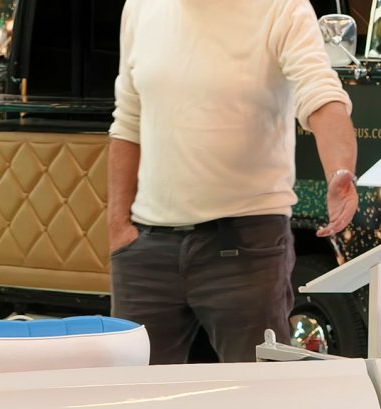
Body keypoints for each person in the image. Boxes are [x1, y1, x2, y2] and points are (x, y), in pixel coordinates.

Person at [108, 0, 359, 364]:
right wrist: (118, 228)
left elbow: (321, 95)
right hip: (146, 253)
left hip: (246, 246)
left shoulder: (282, 8)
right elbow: (127, 120)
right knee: (131, 400)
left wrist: (339, 170)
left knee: (258, 401)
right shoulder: (139, 7)